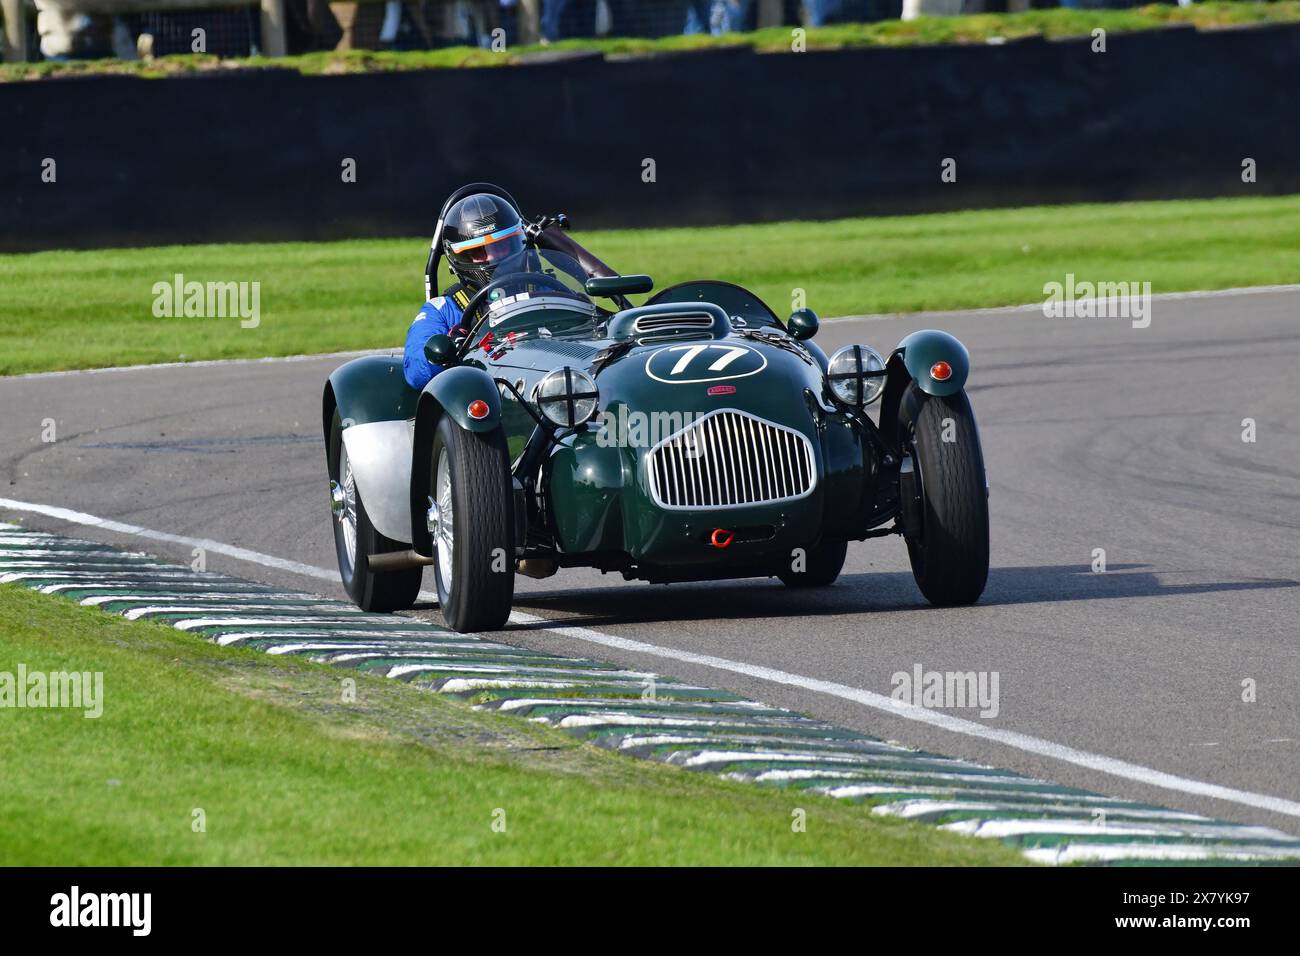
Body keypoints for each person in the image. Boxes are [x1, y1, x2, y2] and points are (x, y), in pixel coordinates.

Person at [403, 192, 526, 390]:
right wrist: (449, 348)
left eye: (500, 246)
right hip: (483, 397)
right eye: (479, 252)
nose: (492, 258)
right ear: (459, 257)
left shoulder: (544, 289)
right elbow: (415, 371)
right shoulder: (442, 310)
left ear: (516, 241)